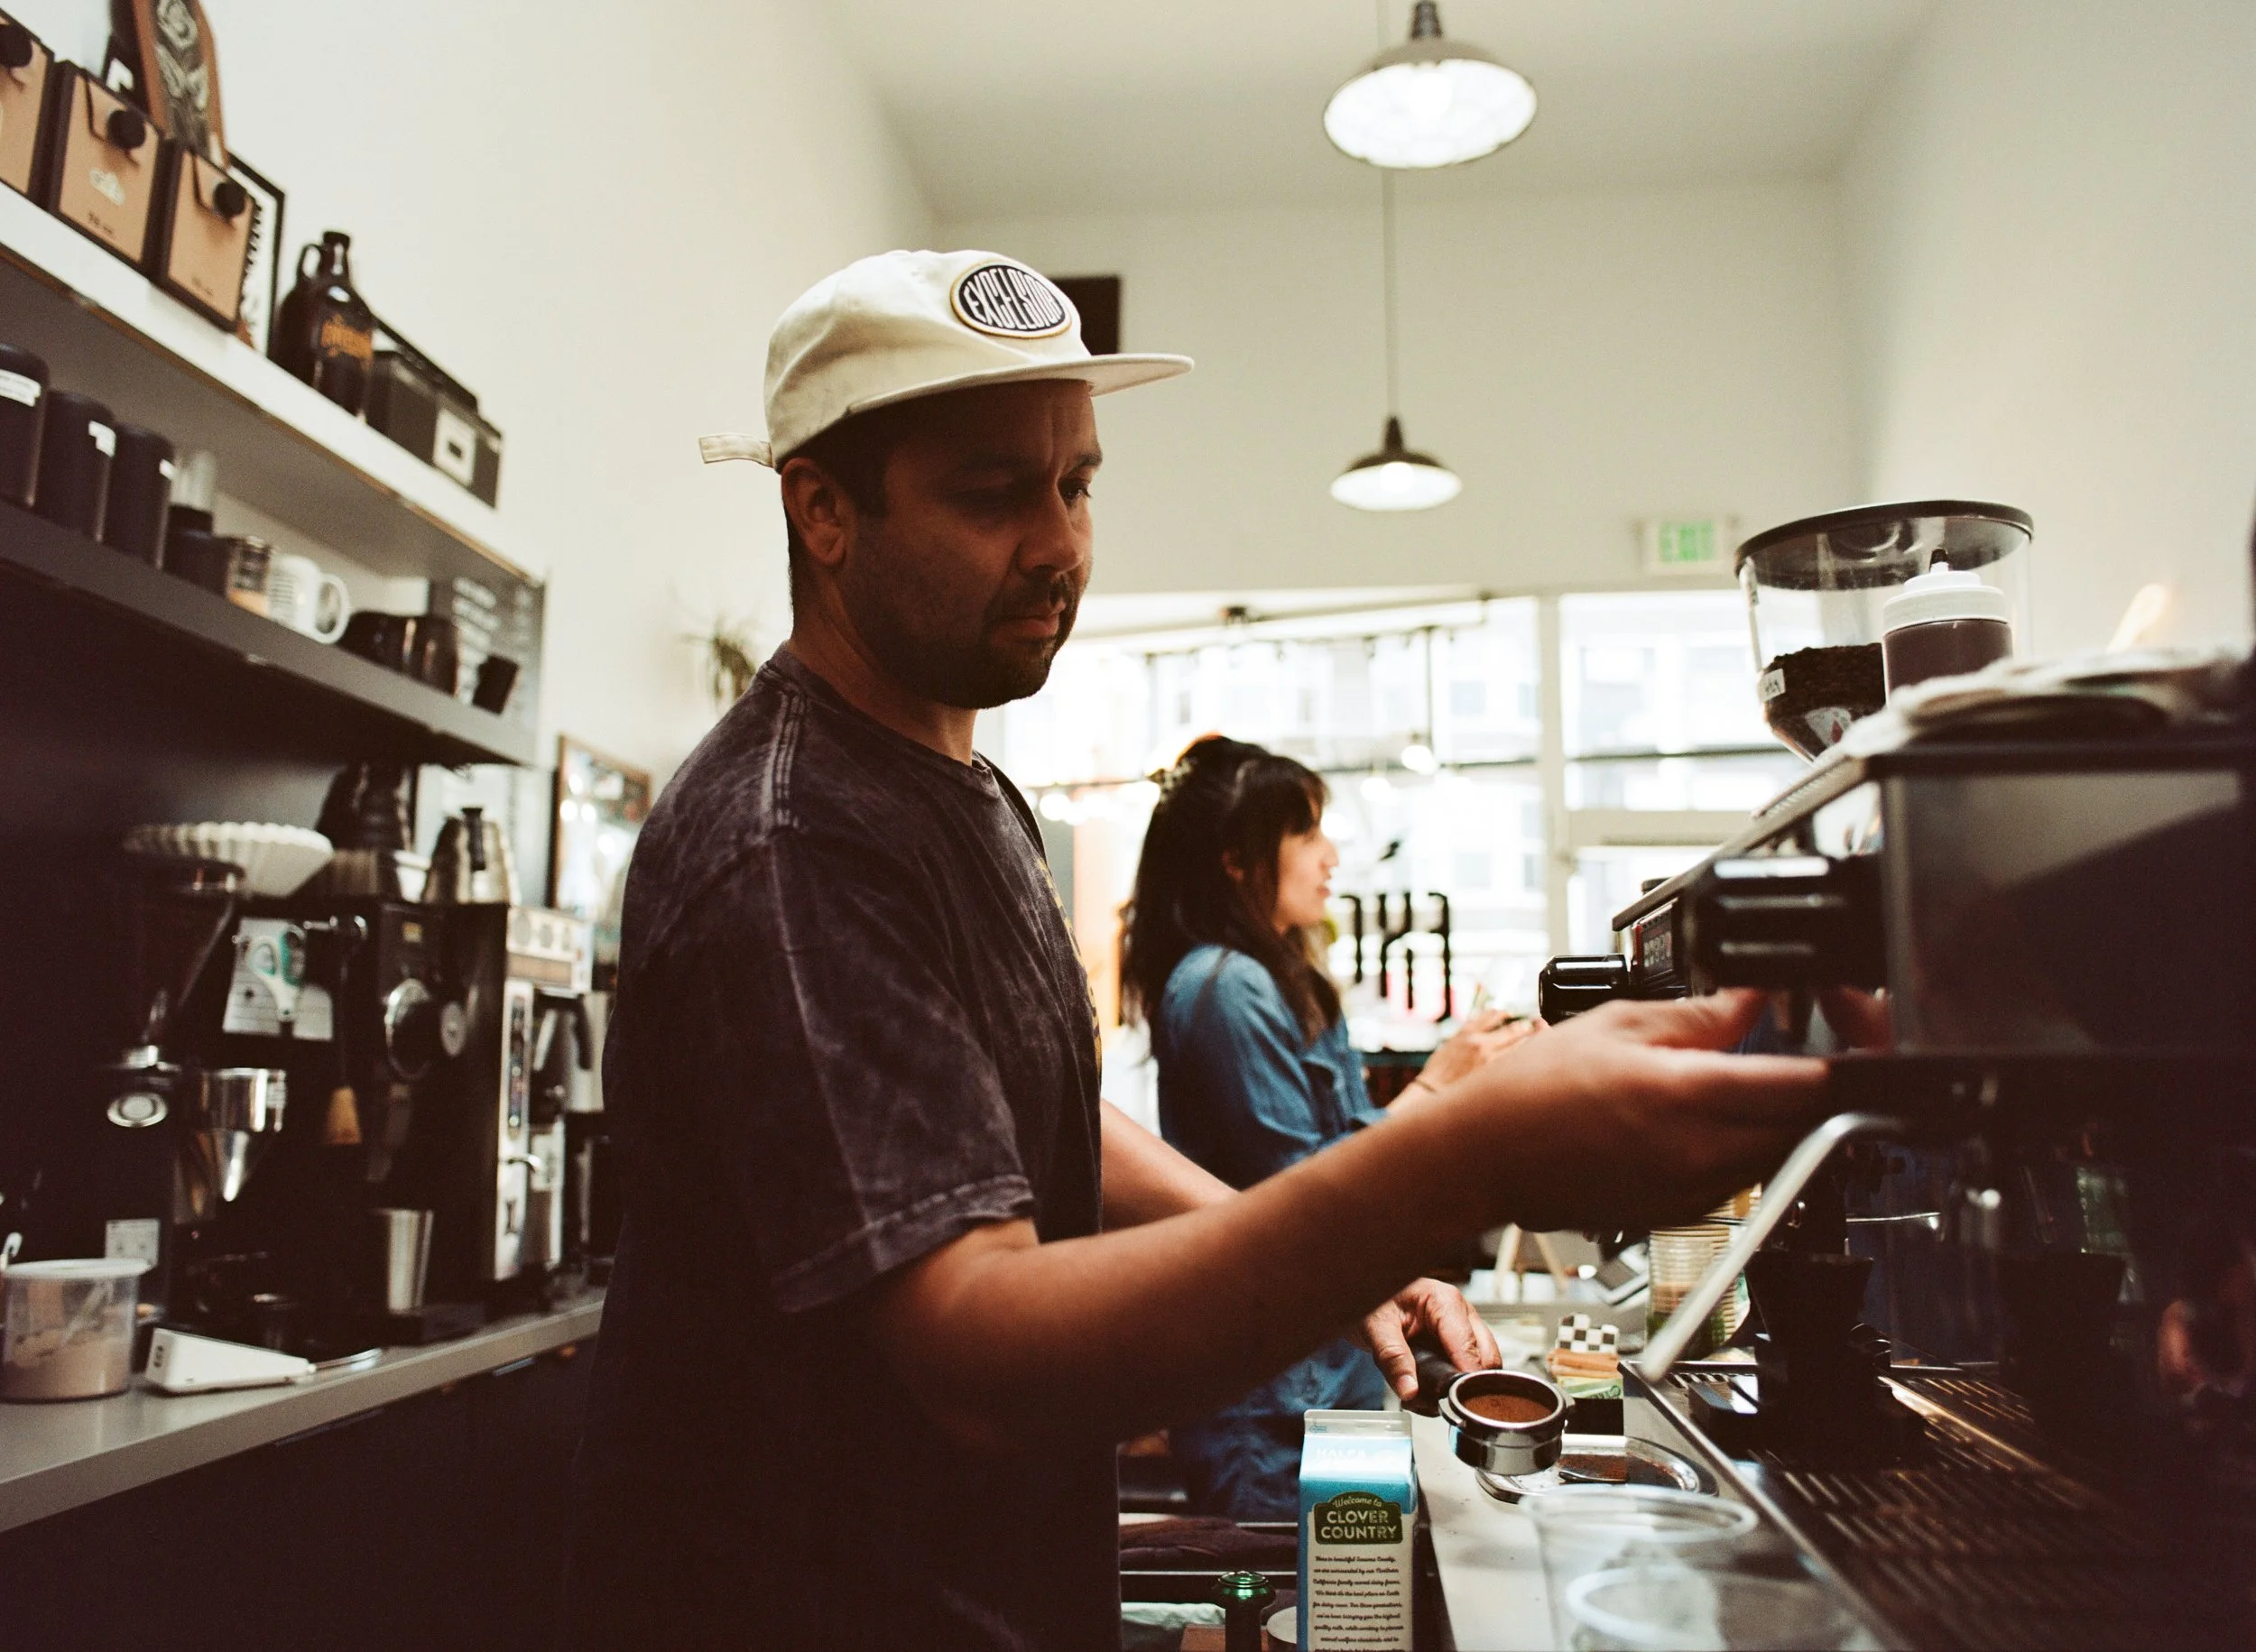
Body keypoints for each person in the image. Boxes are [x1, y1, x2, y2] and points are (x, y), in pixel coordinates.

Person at [565, 248, 1829, 1651]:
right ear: (823, 511)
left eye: (1077, 482)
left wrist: (1334, 1251)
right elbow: (975, 1347)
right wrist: (1455, 1163)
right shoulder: (793, 834)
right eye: (993, 492)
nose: (1059, 542)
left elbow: (1036, 1118)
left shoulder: (966, 795)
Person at [1122, 735, 1537, 1517]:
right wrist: (1440, 1087)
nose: (1331, 855)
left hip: (1320, 1372)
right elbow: (1310, 1191)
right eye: (1306, 832)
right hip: (1269, 1396)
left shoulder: (1272, 975)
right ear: (1237, 860)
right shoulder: (1223, 985)